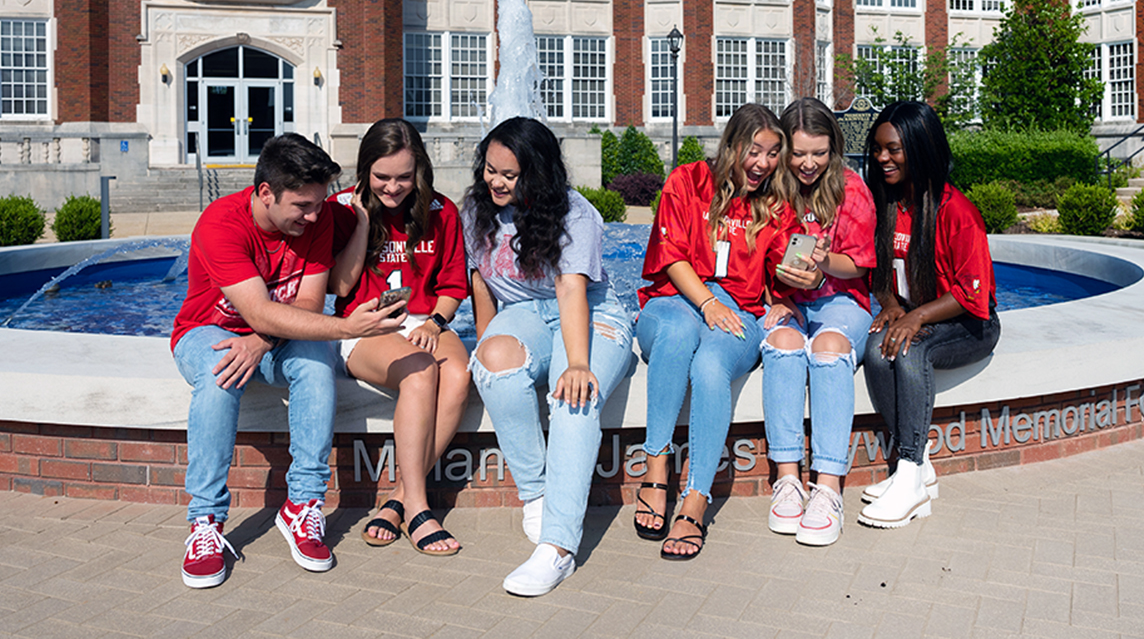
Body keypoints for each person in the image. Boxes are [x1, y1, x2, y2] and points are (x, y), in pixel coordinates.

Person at [172, 133, 403, 589]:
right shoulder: (221, 223)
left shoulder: (313, 220)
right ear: (265, 193)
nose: (315, 215)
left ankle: (303, 506)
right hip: (207, 331)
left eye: (319, 203)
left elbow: (312, 301)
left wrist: (261, 340)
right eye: (302, 205)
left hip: (276, 339)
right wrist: (348, 328)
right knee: (221, 376)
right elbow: (259, 311)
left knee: (316, 363)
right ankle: (205, 523)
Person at [463, 117, 634, 597]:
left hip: (589, 310)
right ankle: (536, 492)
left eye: (509, 175)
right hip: (524, 314)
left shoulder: (574, 213)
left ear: (535, 174)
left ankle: (558, 548)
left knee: (573, 394)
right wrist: (484, 341)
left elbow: (570, 289)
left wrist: (577, 363)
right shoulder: (475, 208)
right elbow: (481, 281)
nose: (495, 181)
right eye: (490, 169)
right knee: (493, 361)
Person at [633, 102, 799, 560]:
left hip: (739, 312)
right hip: (674, 301)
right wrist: (705, 302)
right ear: (732, 145)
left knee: (709, 367)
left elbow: (781, 271)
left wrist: (800, 281)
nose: (763, 163)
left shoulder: (774, 204)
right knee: (678, 336)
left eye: (772, 153)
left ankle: (695, 498)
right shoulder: (688, 180)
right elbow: (670, 255)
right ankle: (656, 468)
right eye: (754, 150)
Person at [329, 118, 470, 556]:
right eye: (382, 177)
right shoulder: (340, 209)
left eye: (404, 177)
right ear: (365, 170)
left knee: (460, 374)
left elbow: (452, 288)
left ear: (420, 171)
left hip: (424, 320)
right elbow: (340, 287)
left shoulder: (441, 211)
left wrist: (434, 325)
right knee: (421, 372)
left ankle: (397, 499)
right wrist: (360, 221)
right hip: (364, 324)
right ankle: (420, 508)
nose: (393, 188)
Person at [858, 101, 1000, 528]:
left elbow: (970, 292)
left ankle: (910, 475)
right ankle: (917, 469)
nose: (883, 158)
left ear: (920, 148)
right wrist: (890, 306)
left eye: (894, 149)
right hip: (917, 316)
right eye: (878, 149)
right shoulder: (887, 204)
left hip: (969, 323)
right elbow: (879, 273)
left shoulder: (957, 211)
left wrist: (915, 318)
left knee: (907, 352)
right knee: (876, 350)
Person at [761, 98, 876, 546]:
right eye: (800, 152)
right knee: (785, 344)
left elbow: (862, 265)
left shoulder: (850, 187)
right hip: (792, 303)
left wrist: (826, 261)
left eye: (820, 152)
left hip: (840, 300)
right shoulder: (771, 188)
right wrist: (776, 294)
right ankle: (787, 479)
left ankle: (827, 487)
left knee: (828, 349)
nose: (809, 163)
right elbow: (758, 257)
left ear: (833, 150)